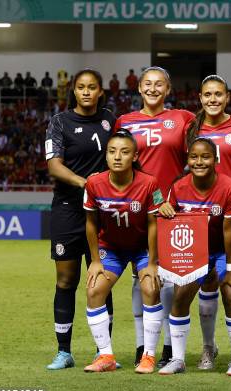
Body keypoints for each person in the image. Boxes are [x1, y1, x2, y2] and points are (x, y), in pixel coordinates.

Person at [115, 66, 195, 368]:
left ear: (168, 88)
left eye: (159, 84)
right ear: (139, 88)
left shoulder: (183, 119)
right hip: (138, 208)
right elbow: (117, 160)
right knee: (142, 277)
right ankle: (141, 345)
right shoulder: (124, 122)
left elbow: (199, 157)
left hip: (174, 209)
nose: (152, 88)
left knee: (170, 281)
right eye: (147, 84)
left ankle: (167, 347)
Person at [157, 138, 231, 376]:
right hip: (195, 251)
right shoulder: (178, 187)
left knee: (230, 291)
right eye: (194, 157)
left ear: (216, 160)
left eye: (205, 156)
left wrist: (229, 269)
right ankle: (178, 359)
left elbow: (229, 231)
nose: (199, 162)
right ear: (188, 160)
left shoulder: (229, 187)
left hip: (227, 249)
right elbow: (171, 224)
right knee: (180, 295)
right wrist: (166, 208)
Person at [44, 69, 116, 370]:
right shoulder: (59, 122)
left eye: (92, 87)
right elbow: (53, 166)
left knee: (101, 281)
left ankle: (105, 352)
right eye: (81, 87)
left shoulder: (112, 120)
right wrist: (85, 182)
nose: (86, 92)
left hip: (103, 211)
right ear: (73, 91)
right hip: (68, 209)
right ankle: (64, 351)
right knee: (66, 280)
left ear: (100, 91)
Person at [82, 129, 164, 373]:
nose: (117, 157)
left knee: (150, 286)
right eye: (112, 151)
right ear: (106, 155)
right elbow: (90, 223)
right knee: (94, 289)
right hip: (112, 248)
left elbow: (153, 224)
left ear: (135, 156)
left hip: (141, 249)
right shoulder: (93, 183)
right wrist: (95, 261)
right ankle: (105, 356)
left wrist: (152, 262)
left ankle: (148, 356)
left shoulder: (150, 183)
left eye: (124, 152)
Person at [186, 74, 231, 370]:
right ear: (200, 98)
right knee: (205, 286)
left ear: (227, 97)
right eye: (207, 94)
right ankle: (208, 349)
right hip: (198, 218)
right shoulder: (191, 129)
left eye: (218, 94)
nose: (213, 99)